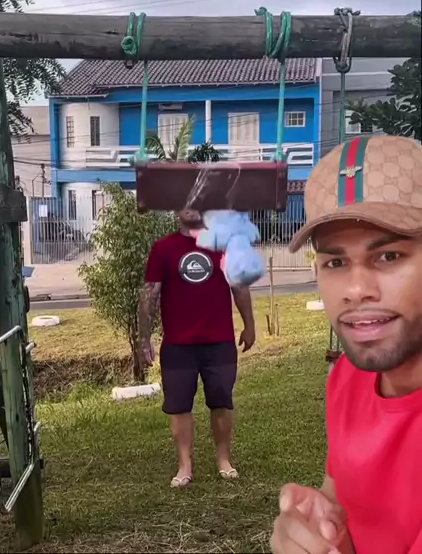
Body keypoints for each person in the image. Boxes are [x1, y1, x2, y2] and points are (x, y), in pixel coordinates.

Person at [270, 133, 422, 554]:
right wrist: (320, 533)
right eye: (336, 262)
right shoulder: (347, 378)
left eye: (388, 256)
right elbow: (342, 510)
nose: (355, 290)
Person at [138, 207, 256, 488]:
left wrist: (249, 324)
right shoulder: (163, 248)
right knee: (179, 407)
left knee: (222, 402)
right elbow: (149, 294)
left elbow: (239, 287)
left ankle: (224, 460)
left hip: (219, 342)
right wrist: (144, 337)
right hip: (178, 346)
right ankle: (184, 466)